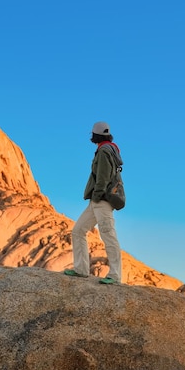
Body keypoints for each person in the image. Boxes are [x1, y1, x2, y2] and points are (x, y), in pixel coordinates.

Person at [64, 121, 123, 284]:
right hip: (96, 201)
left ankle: (115, 276)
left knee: (108, 235)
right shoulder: (110, 149)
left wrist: (97, 195)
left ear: (95, 135)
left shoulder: (104, 151)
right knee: (78, 231)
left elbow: (103, 176)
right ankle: (81, 269)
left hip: (101, 200)